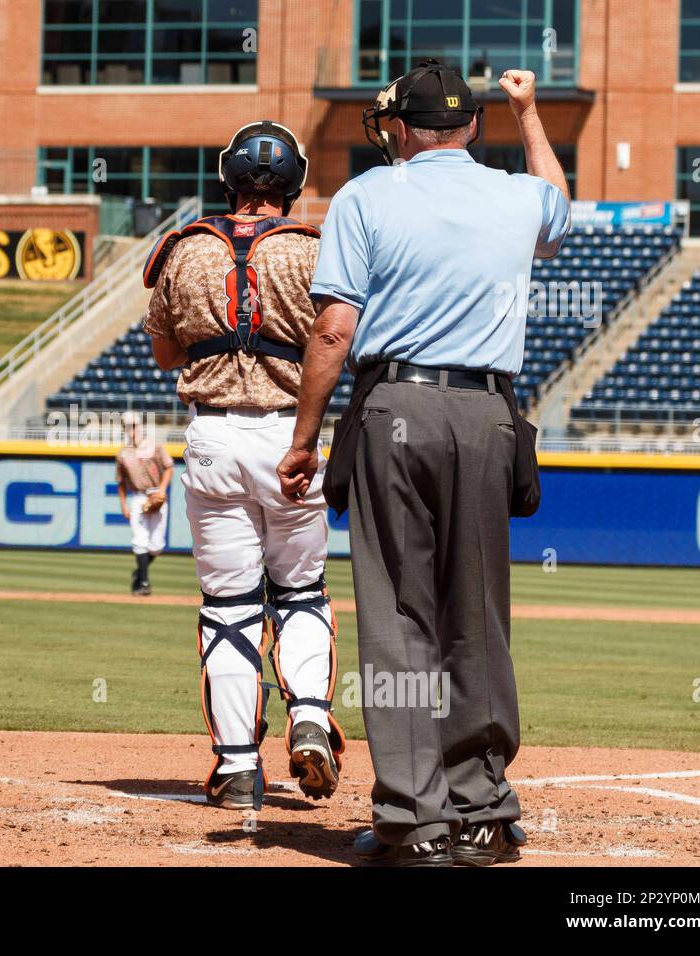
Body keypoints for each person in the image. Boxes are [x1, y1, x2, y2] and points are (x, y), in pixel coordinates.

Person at [278, 62, 570, 865]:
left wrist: (304, 440)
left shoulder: (366, 196)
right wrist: (531, 112)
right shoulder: (515, 195)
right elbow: (560, 204)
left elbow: (335, 330)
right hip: (487, 413)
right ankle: (481, 811)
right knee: (475, 615)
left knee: (400, 619)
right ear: (472, 128)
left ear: (401, 128)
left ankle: (414, 819)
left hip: (395, 408)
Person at [145, 120, 343, 812]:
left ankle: (235, 768)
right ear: (292, 185)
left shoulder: (183, 249)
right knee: (300, 592)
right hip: (294, 433)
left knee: (228, 606)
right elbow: (340, 337)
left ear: (228, 178)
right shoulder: (319, 251)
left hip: (213, 439)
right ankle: (310, 718)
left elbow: (166, 354)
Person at [115, 412, 173, 596]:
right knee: (140, 541)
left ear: (140, 426)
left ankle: (140, 572)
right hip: (138, 497)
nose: (132, 430)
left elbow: (169, 468)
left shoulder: (155, 446)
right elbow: (121, 482)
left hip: (157, 495)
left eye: (134, 426)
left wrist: (162, 490)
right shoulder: (123, 454)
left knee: (156, 546)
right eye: (128, 427)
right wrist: (123, 505)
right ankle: (143, 583)